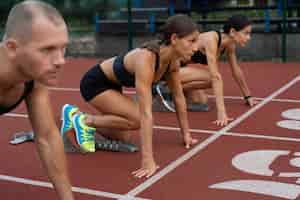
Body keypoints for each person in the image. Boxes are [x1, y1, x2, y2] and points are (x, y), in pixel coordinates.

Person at [61, 14, 199, 178]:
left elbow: (178, 97)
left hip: (114, 85)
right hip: (95, 83)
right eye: (192, 41)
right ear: (174, 38)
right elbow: (145, 113)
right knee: (138, 119)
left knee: (123, 136)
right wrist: (148, 160)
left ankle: (78, 116)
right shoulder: (146, 59)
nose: (196, 47)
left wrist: (186, 134)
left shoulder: (172, 62)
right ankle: (83, 121)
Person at [0, 1, 74, 199]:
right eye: (47, 49)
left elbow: (47, 137)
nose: (60, 60)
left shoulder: (34, 77)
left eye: (63, 48)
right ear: (12, 48)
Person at [156, 14, 258, 126]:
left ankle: (167, 90)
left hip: (180, 69)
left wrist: (247, 96)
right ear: (233, 32)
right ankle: (163, 86)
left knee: (201, 100)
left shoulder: (230, 45)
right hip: (167, 68)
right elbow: (215, 76)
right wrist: (222, 113)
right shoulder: (211, 39)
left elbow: (236, 70)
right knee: (211, 78)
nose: (249, 37)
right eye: (246, 33)